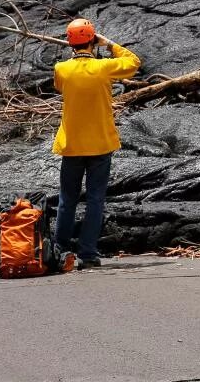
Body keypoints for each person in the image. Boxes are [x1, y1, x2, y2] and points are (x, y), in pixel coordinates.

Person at [52, 18, 141, 269]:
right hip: (100, 143)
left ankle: (60, 249)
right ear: (93, 40)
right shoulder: (104, 67)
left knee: (67, 199)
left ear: (70, 43)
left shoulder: (61, 69)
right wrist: (110, 44)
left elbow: (60, 88)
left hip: (72, 144)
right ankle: (88, 253)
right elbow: (134, 62)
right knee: (95, 199)